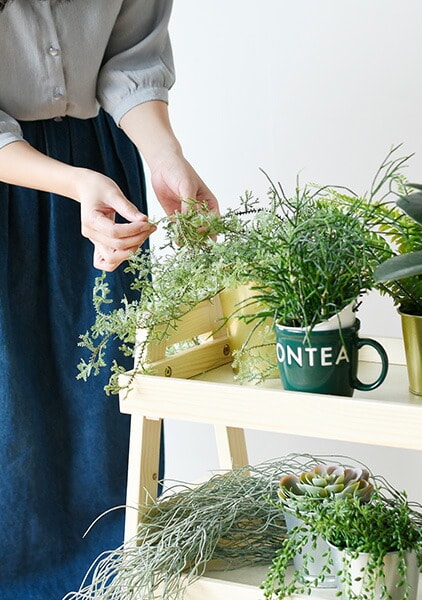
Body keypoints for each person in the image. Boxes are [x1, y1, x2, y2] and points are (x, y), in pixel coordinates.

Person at [0, 1, 219, 598]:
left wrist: (165, 156)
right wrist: (72, 182)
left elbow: (129, 59)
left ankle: (114, 584)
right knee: (11, 413)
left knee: (110, 403)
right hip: (17, 177)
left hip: (100, 169)